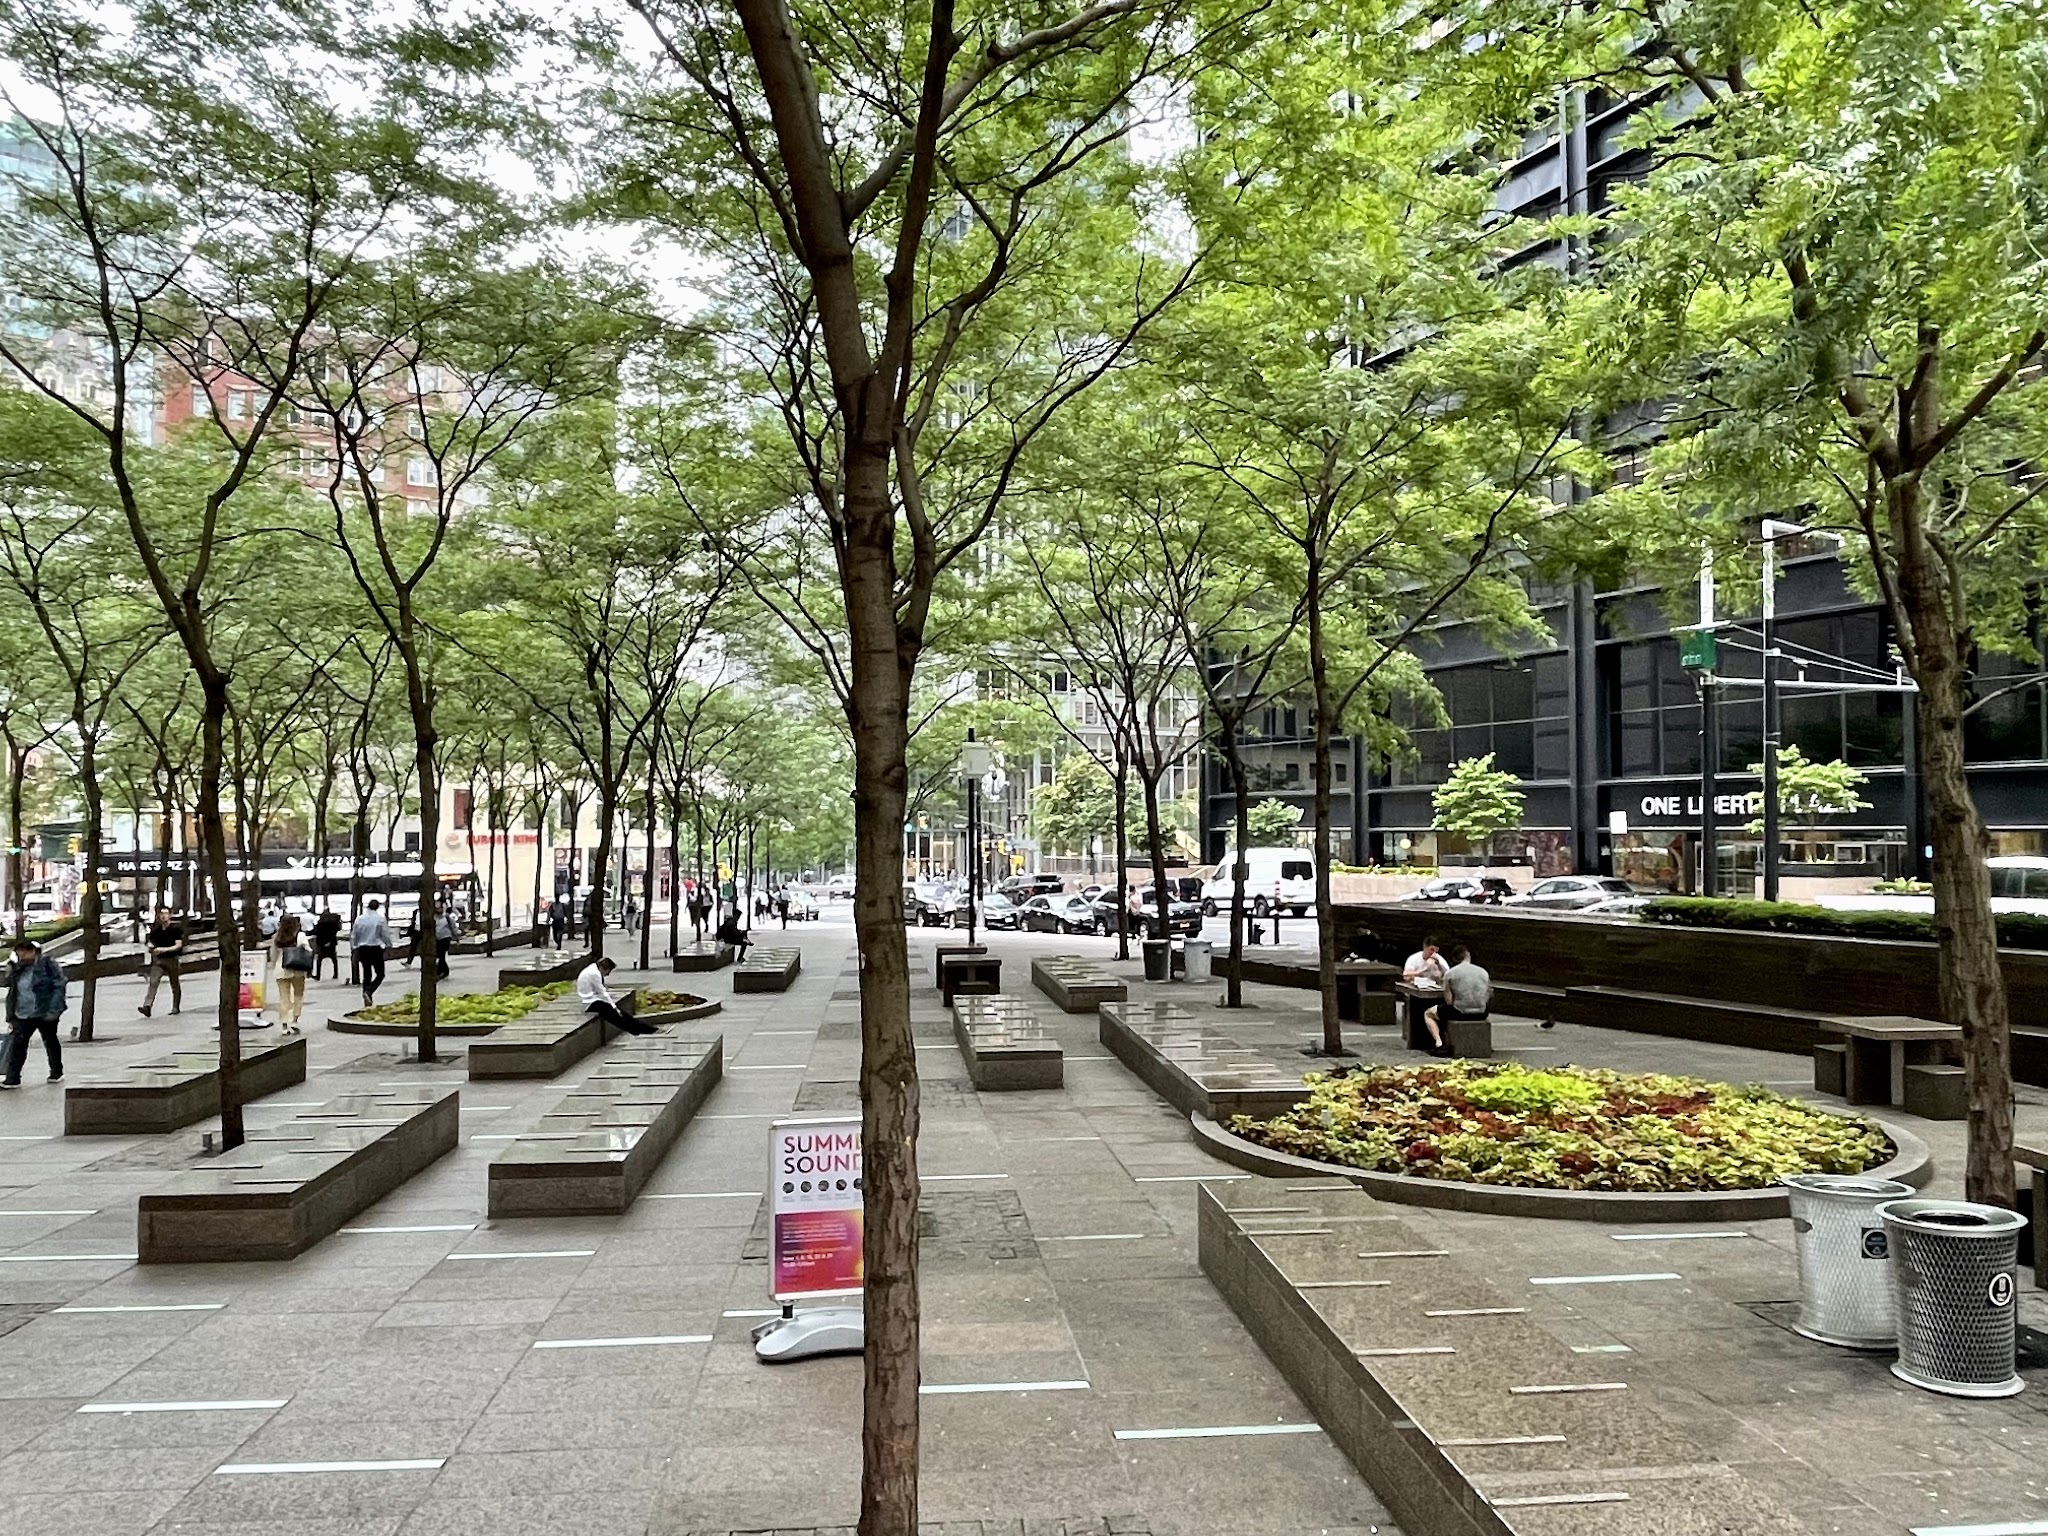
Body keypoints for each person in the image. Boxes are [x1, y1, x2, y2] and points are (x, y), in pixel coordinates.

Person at [1, 937, 66, 1087]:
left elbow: (59, 985)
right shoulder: (18, 968)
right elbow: (11, 988)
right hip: (23, 1013)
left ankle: (56, 1071)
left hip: (44, 1011)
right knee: (18, 1044)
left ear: (33, 952)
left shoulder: (47, 964)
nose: (21, 957)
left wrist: (54, 1009)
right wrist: (12, 967)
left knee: (50, 1041)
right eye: (18, 954)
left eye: (23, 954)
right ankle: (13, 1078)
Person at [1424, 944, 1492, 1057]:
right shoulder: (1483, 972)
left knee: (1428, 1013)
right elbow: (1488, 994)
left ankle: (1439, 1043)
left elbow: (1449, 1001)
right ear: (1467, 956)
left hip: (1460, 1012)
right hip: (1481, 1013)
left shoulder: (1451, 973)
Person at [576, 955, 655, 1035]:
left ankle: (641, 1028)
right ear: (603, 968)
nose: (607, 974)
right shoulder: (594, 974)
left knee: (619, 1013)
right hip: (589, 1002)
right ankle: (638, 1029)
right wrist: (614, 1006)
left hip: (590, 1000)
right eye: (608, 971)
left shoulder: (592, 969)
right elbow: (602, 992)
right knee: (615, 1015)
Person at [269, 914, 312, 1035]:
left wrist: (274, 966)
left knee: (284, 998)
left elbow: (273, 956)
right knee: (298, 995)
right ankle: (294, 1021)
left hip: (281, 970)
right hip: (298, 970)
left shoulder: (277, 937)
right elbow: (308, 951)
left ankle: (284, 1024)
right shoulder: (300, 936)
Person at [140, 905, 185, 1017]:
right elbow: (151, 942)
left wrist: (163, 950)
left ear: (170, 915)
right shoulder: (157, 931)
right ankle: (147, 1006)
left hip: (172, 959)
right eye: (162, 914)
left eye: (166, 913)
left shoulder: (175, 929)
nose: (164, 916)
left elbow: (178, 946)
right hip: (159, 960)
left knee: (174, 983)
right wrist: (150, 946)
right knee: (153, 982)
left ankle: (175, 1006)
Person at [351, 899, 393, 1008]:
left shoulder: (359, 919)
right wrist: (389, 946)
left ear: (367, 907)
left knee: (367, 973)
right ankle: (369, 991)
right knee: (380, 974)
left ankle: (366, 997)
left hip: (363, 948)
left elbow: (354, 935)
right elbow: (385, 934)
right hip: (376, 948)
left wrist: (354, 948)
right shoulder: (380, 919)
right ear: (377, 907)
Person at [312, 908, 343, 979]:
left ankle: (318, 975)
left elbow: (315, 932)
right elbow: (338, 929)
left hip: (322, 943)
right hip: (331, 943)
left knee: (319, 960)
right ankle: (336, 974)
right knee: (334, 959)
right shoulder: (333, 924)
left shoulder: (320, 924)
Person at [433, 900, 459, 981]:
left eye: (440, 908)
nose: (438, 910)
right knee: (439, 955)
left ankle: (440, 972)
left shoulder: (446, 917)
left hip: (446, 937)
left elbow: (453, 926)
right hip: (437, 938)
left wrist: (456, 936)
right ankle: (445, 970)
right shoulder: (433, 917)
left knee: (441, 954)